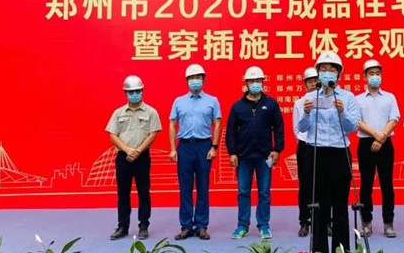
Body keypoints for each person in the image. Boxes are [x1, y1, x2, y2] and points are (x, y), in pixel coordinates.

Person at [297, 51, 359, 253]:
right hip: (316, 153)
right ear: (318, 73)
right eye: (323, 69)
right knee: (318, 207)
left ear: (338, 73)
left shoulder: (348, 97)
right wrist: (306, 112)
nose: (327, 73)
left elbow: (352, 127)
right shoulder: (309, 97)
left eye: (332, 69)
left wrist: (342, 111)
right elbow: (302, 128)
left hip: (340, 153)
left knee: (340, 206)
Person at [226, 66, 284, 240]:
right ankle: (242, 225)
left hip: (264, 156)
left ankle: (263, 225)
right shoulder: (237, 106)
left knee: (264, 192)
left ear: (263, 82)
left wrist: (277, 149)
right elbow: (231, 131)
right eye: (252, 81)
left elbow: (279, 127)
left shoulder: (271, 104)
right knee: (243, 191)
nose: (255, 84)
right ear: (246, 83)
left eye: (258, 80)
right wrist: (232, 152)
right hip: (243, 156)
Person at [169, 64, 222, 240]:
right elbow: (172, 124)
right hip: (184, 146)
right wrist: (172, 148)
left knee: (202, 187)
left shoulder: (212, 100)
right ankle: (186, 226)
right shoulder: (179, 101)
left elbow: (217, 124)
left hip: (204, 146)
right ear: (186, 81)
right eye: (192, 78)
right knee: (185, 188)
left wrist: (214, 146)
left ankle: (201, 226)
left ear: (203, 79)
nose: (195, 81)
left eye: (198, 77)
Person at [105, 75, 161, 240]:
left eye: (137, 91)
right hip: (123, 158)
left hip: (142, 157)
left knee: (144, 193)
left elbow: (153, 133)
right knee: (123, 194)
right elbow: (112, 135)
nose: (134, 94)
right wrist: (128, 150)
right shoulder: (118, 113)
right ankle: (123, 227)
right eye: (131, 92)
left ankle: (143, 226)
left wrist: (138, 150)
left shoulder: (151, 112)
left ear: (142, 91)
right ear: (125, 93)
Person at [355, 59, 400, 238]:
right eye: (371, 73)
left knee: (387, 185)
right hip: (366, 143)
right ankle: (366, 223)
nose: (375, 77)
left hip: (385, 143)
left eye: (378, 73)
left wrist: (381, 138)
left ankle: (388, 223)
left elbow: (394, 118)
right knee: (366, 185)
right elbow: (357, 121)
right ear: (365, 76)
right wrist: (375, 135)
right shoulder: (358, 99)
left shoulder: (389, 97)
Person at [292, 67, 319, 237]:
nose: (313, 84)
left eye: (316, 80)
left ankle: (326, 222)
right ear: (305, 84)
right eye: (310, 81)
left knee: (324, 185)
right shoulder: (299, 103)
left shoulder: (327, 101)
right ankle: (304, 222)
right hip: (305, 146)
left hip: (323, 145)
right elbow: (296, 129)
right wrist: (305, 142)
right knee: (305, 186)